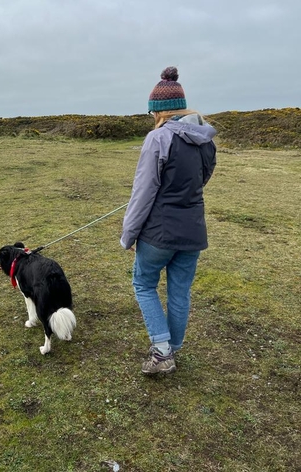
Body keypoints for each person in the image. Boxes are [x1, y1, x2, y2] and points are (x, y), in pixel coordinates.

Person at [121, 66, 216, 375]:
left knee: (143, 283)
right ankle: (172, 349)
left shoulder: (157, 139)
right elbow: (203, 179)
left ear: (158, 111)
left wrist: (128, 235)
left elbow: (143, 192)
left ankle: (162, 352)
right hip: (193, 232)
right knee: (179, 291)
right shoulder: (206, 139)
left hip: (159, 233)